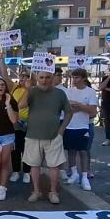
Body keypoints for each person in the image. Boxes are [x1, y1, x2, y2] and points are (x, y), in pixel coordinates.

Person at [23, 70, 72, 204]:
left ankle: (53, 192)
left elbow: (68, 112)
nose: (44, 80)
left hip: (53, 136)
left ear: (53, 77)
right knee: (34, 165)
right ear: (37, 78)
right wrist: (27, 90)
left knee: (54, 166)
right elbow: (21, 106)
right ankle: (36, 191)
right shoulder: (32, 91)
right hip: (33, 134)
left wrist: (62, 130)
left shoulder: (60, 93)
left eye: (48, 77)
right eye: (42, 77)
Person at [63, 69, 98, 191]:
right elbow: (66, 108)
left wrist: (79, 105)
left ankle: (84, 177)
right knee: (71, 151)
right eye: (73, 77)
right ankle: (74, 173)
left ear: (83, 78)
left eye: (77, 77)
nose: (74, 80)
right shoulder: (68, 91)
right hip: (69, 125)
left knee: (83, 151)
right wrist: (77, 107)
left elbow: (93, 111)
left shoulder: (91, 92)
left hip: (83, 126)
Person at [10, 69, 32, 183]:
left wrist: (28, 89)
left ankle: (27, 172)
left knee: (27, 148)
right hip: (15, 121)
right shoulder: (14, 87)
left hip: (29, 122)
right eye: (21, 75)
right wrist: (1, 59)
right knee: (15, 148)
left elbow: (22, 105)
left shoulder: (33, 90)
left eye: (26, 76)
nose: (23, 78)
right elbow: (4, 75)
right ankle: (15, 171)